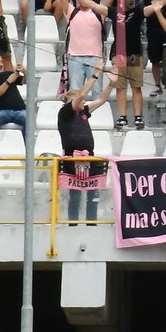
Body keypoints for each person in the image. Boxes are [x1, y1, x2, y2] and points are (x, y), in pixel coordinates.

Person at [59, 62, 111, 223]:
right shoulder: (65, 113)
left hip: (89, 158)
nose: (83, 102)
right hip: (73, 158)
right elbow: (81, 95)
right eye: (80, 101)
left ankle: (91, 222)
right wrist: (95, 75)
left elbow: (102, 99)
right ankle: (73, 223)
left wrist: (112, 83)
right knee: (75, 195)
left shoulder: (84, 112)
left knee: (92, 194)